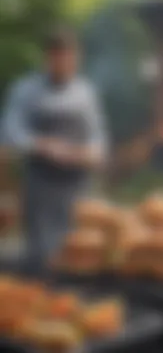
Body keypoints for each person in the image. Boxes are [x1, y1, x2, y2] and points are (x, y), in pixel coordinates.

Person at [2, 26, 107, 272]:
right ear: (48, 58)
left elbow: (98, 137)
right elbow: (9, 131)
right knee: (41, 255)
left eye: (69, 56)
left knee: (78, 252)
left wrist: (91, 153)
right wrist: (43, 145)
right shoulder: (26, 90)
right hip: (41, 184)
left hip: (78, 186)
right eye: (58, 56)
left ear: (77, 58)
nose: (64, 62)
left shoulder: (86, 93)